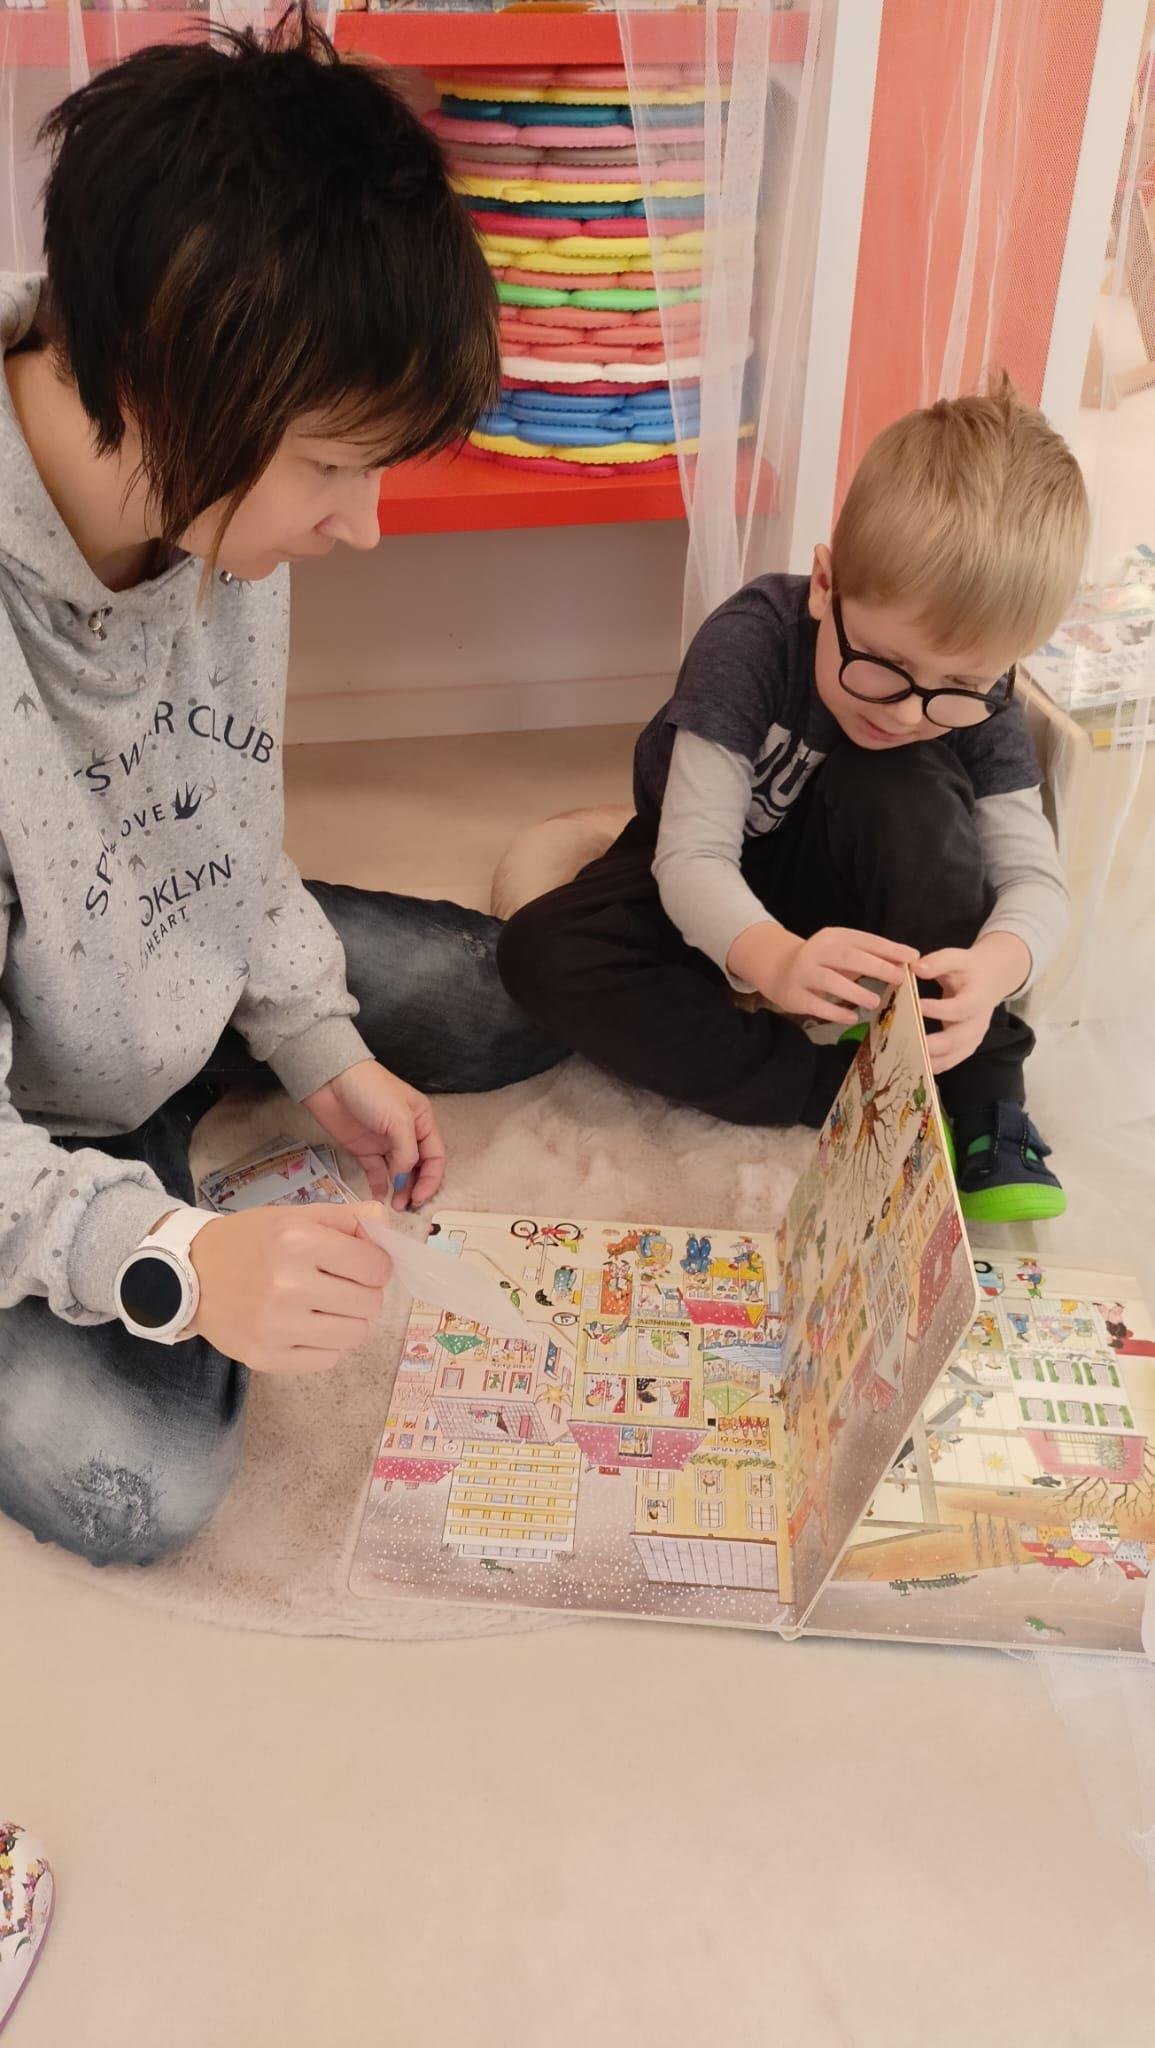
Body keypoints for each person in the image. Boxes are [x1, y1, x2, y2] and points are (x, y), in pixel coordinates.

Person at [0, 11, 558, 1568]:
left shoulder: (206, 482)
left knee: (514, 998)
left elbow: (222, 817)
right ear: (161, 378)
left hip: (148, 956)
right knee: (134, 1484)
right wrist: (177, 1257)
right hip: (27, 1100)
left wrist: (317, 1044)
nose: (361, 528)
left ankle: (202, 1083)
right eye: (330, 468)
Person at [499, 377, 1088, 1223]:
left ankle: (980, 1088)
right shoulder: (752, 641)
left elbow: (1034, 880)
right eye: (883, 667)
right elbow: (691, 855)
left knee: (913, 795)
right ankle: (832, 1085)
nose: (907, 711)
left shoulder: (979, 699)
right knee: (542, 952)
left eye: (957, 688)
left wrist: (992, 970)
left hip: (869, 885)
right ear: (823, 583)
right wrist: (771, 958)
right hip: (719, 861)